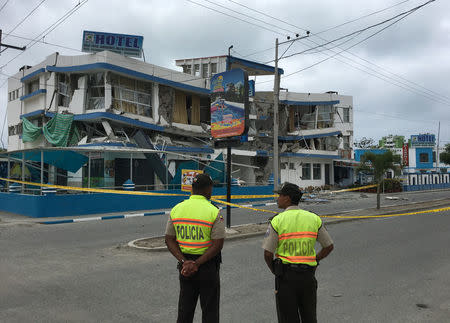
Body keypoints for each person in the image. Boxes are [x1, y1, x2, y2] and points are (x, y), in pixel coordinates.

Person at [262, 182, 334, 323]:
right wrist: (315, 259)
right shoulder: (313, 218)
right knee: (309, 317)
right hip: (308, 277)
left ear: (287, 198)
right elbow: (329, 246)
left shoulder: (278, 220)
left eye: (280, 195)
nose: (278, 198)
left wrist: (275, 271)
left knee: (288, 318)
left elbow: (268, 254)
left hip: (286, 277)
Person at [165, 173, 225, 323]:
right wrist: (197, 264)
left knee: (185, 310)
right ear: (208, 189)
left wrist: (184, 261)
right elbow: (218, 244)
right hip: (207, 267)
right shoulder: (214, 211)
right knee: (210, 311)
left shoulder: (177, 209)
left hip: (185, 267)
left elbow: (169, 240)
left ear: (192, 189)